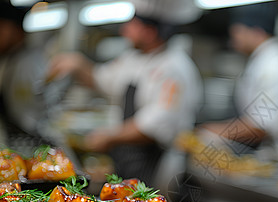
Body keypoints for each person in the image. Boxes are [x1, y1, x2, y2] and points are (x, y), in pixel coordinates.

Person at [47, 0, 203, 188]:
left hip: (158, 162)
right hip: (129, 159)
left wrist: (109, 136)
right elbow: (101, 80)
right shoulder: (131, 58)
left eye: (132, 24)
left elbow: (155, 125)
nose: (124, 30)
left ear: (149, 31)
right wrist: (77, 64)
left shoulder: (174, 67)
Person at [198, 2, 278, 162]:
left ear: (257, 31)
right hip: (254, 152)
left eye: (238, 31)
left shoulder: (276, 64)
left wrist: (217, 132)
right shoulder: (261, 59)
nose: (233, 37)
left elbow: (261, 126)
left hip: (269, 156)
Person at [0, 1, 47, 142]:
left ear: (14, 29)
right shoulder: (8, 58)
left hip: (29, 141)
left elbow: (31, 115)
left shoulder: (31, 62)